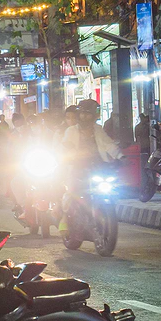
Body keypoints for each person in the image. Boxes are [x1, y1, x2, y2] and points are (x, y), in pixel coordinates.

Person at [59, 99, 122, 235]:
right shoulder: (71, 131)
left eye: (88, 114)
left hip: (98, 167)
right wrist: (70, 155)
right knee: (72, 191)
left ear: (94, 115)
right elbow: (65, 146)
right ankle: (64, 219)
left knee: (110, 188)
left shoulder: (98, 130)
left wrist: (121, 156)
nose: (85, 117)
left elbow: (108, 144)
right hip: (77, 167)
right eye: (83, 114)